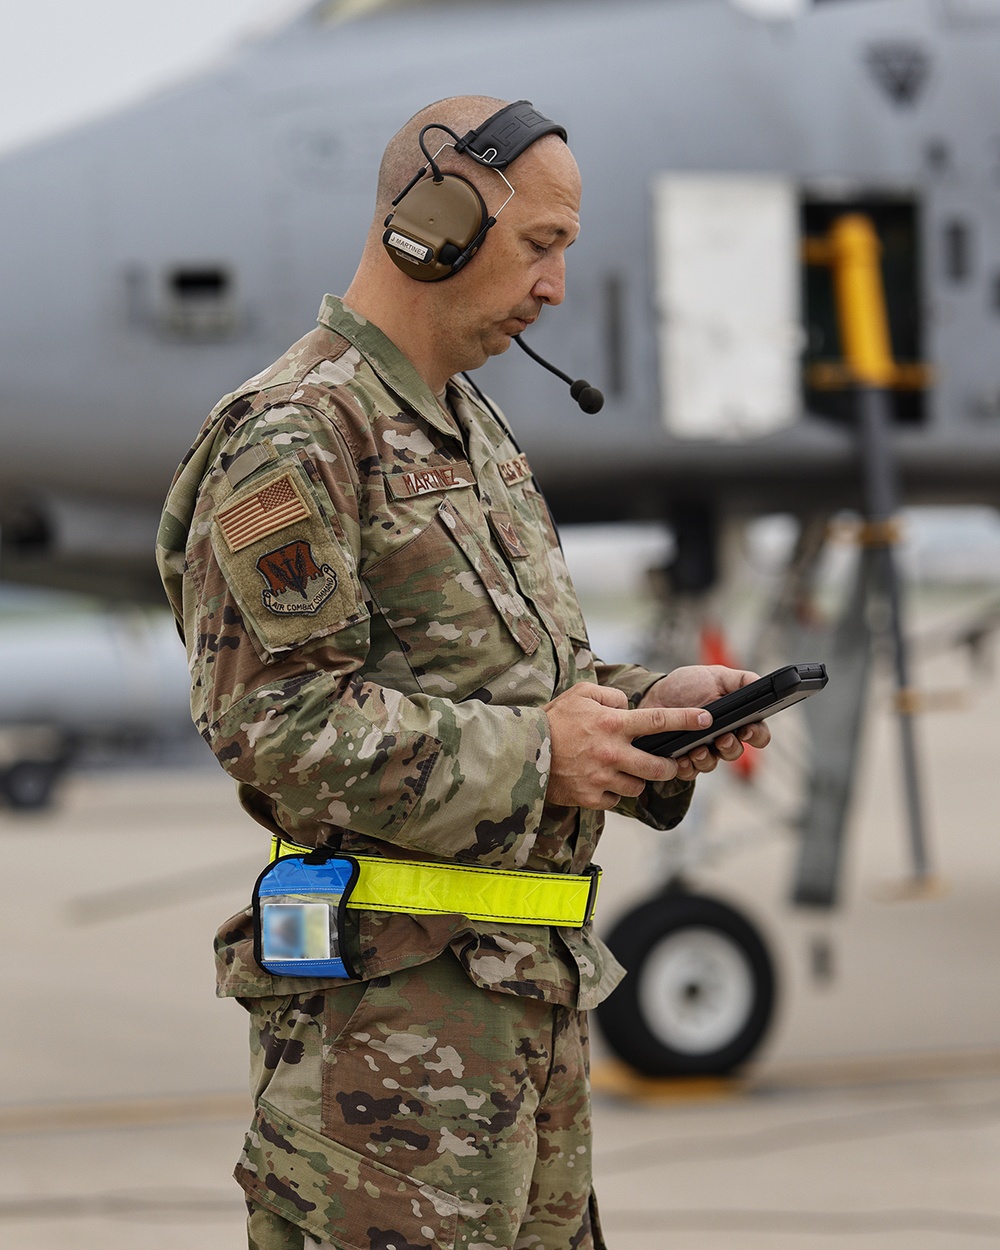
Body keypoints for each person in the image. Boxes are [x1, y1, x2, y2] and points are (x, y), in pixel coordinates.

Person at [156, 95, 770, 1250]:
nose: (555, 289)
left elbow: (519, 680)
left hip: (520, 1032)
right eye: (540, 246)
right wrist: (546, 752)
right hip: (381, 1063)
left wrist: (649, 709)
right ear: (433, 221)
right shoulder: (295, 436)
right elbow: (275, 726)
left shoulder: (467, 430)